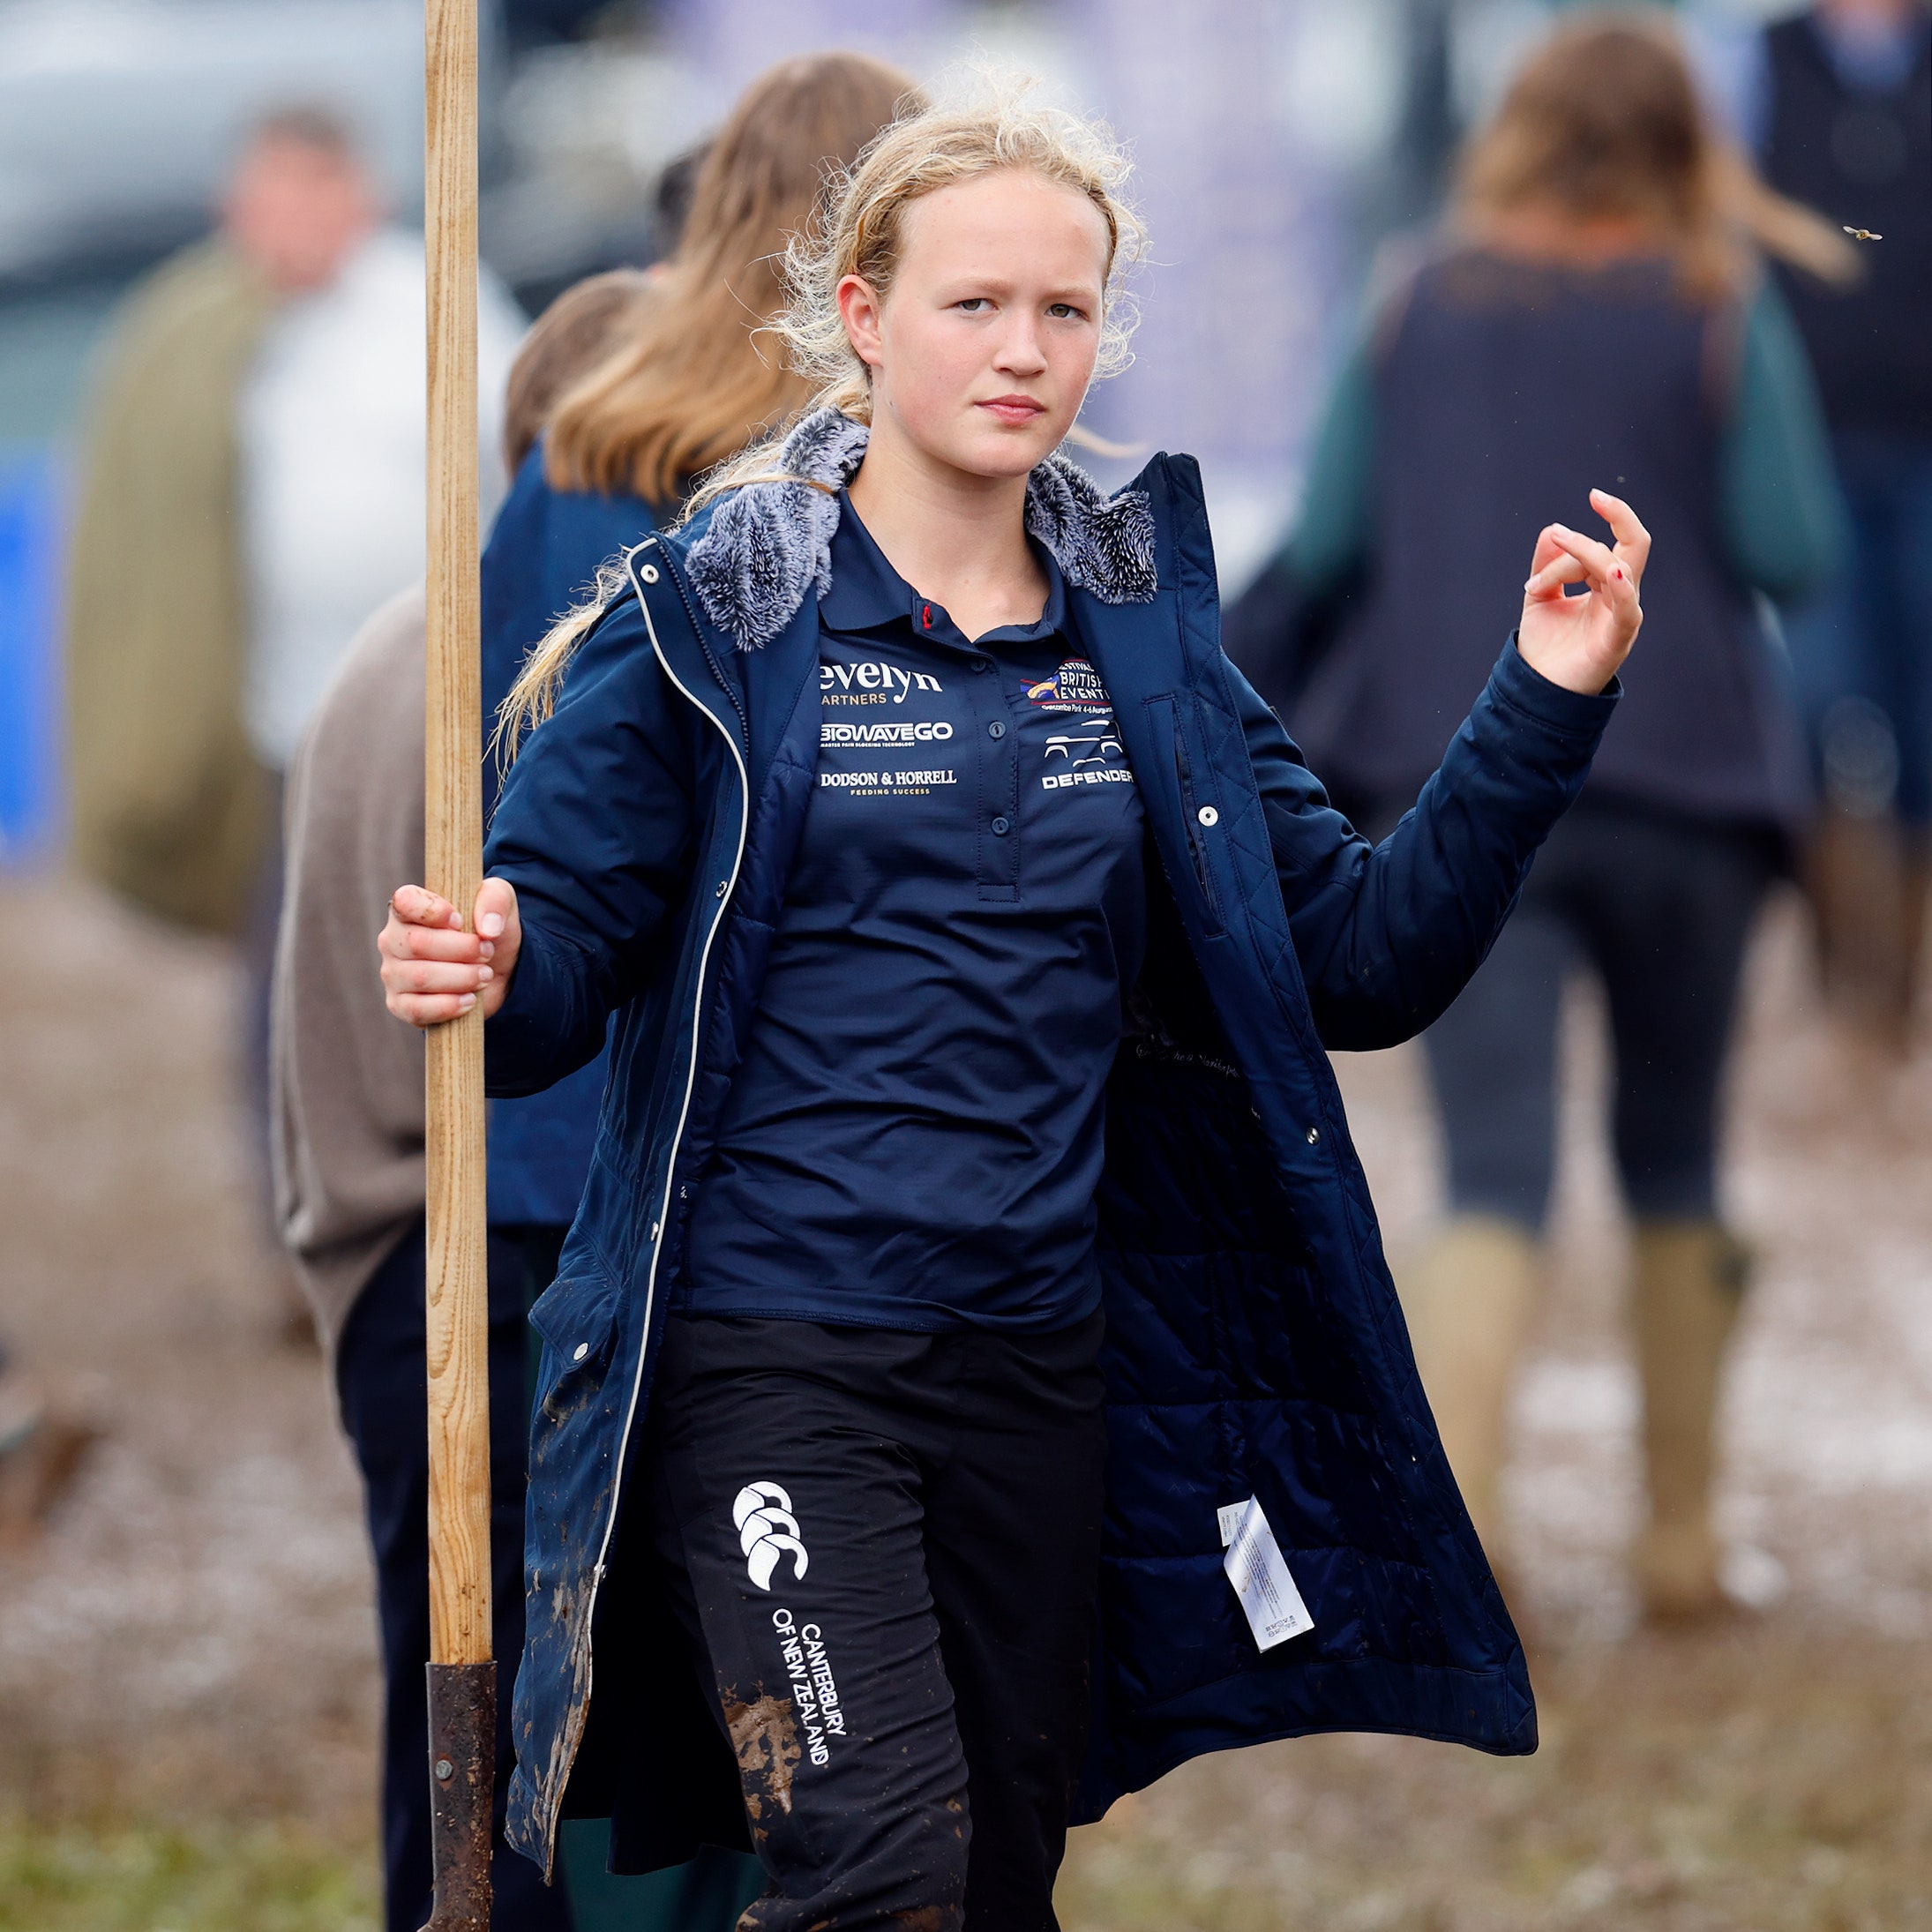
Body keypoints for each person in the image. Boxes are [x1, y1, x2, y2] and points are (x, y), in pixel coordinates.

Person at [375, 84, 1645, 1929]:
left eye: (1065, 310)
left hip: (1040, 1368)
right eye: (975, 304)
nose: (1024, 349)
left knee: (988, 1886)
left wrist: (1540, 699)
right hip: (769, 1363)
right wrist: (488, 963)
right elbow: (556, 960)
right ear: (867, 316)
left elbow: (1363, 963)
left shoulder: (1142, 642)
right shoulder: (716, 620)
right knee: (873, 1867)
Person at [278, 55, 917, 1931]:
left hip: (511, 1220)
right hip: (692, 1230)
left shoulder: (540, 515)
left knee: (514, 1780)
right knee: (724, 1765)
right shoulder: (807, 543)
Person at [1229, 18, 1847, 1621]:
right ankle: (1684, 1546)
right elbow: (1792, 545)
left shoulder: (1417, 292)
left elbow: (1341, 528)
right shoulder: (1718, 298)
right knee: (1677, 1151)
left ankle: (1459, 1535)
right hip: (1691, 783)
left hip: (1464, 779)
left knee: (1492, 1170)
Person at [65, 105, 520, 1333]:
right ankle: (304, 1241)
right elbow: (136, 533)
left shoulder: (437, 302)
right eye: (262, 201)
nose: (283, 225)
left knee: (452, 958)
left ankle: (469, 1213)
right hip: (283, 729)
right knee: (288, 989)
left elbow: (520, 465)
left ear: (356, 196)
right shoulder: (201, 334)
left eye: (307, 196)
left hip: (441, 719)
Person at [1752, 0, 1932, 1044]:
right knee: (1818, 708)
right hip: (1809, 447)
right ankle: (1841, 978)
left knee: (1921, 721)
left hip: (1923, 446)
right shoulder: (1762, 66)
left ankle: (1899, 992)